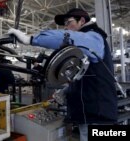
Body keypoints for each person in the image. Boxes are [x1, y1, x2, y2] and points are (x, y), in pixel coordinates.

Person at [8, 8, 117, 141]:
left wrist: (30, 39)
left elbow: (70, 37)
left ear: (82, 21)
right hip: (91, 113)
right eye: (64, 24)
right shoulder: (82, 51)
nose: (66, 27)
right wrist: (66, 91)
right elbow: (83, 76)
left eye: (68, 22)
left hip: (97, 115)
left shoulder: (94, 36)